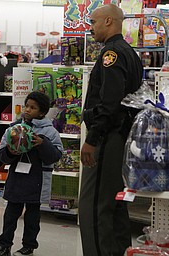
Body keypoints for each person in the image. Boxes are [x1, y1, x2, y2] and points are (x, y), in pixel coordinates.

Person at [79, 4, 143, 256]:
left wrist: (93, 138)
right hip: (121, 138)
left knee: (94, 208)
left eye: (93, 23)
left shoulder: (112, 54)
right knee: (115, 207)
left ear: (108, 21)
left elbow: (110, 102)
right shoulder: (130, 53)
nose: (90, 28)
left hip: (107, 138)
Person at [0, 91, 63, 256]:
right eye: (27, 106)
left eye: (33, 107)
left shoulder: (50, 132)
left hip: (37, 180)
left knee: (32, 218)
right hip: (17, 178)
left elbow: (56, 156)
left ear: (42, 112)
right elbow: (1, 154)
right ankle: (4, 245)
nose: (27, 110)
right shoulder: (14, 128)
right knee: (10, 215)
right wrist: (10, 152)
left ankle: (29, 246)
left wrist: (42, 144)